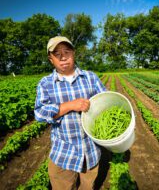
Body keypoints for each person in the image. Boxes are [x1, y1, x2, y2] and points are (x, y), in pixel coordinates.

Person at [34, 36, 107, 190]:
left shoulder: (90, 78)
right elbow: (40, 113)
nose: (63, 57)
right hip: (63, 153)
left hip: (90, 150)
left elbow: (106, 103)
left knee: (88, 186)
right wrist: (69, 105)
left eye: (66, 51)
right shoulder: (46, 83)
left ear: (73, 53)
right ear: (50, 59)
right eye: (57, 54)